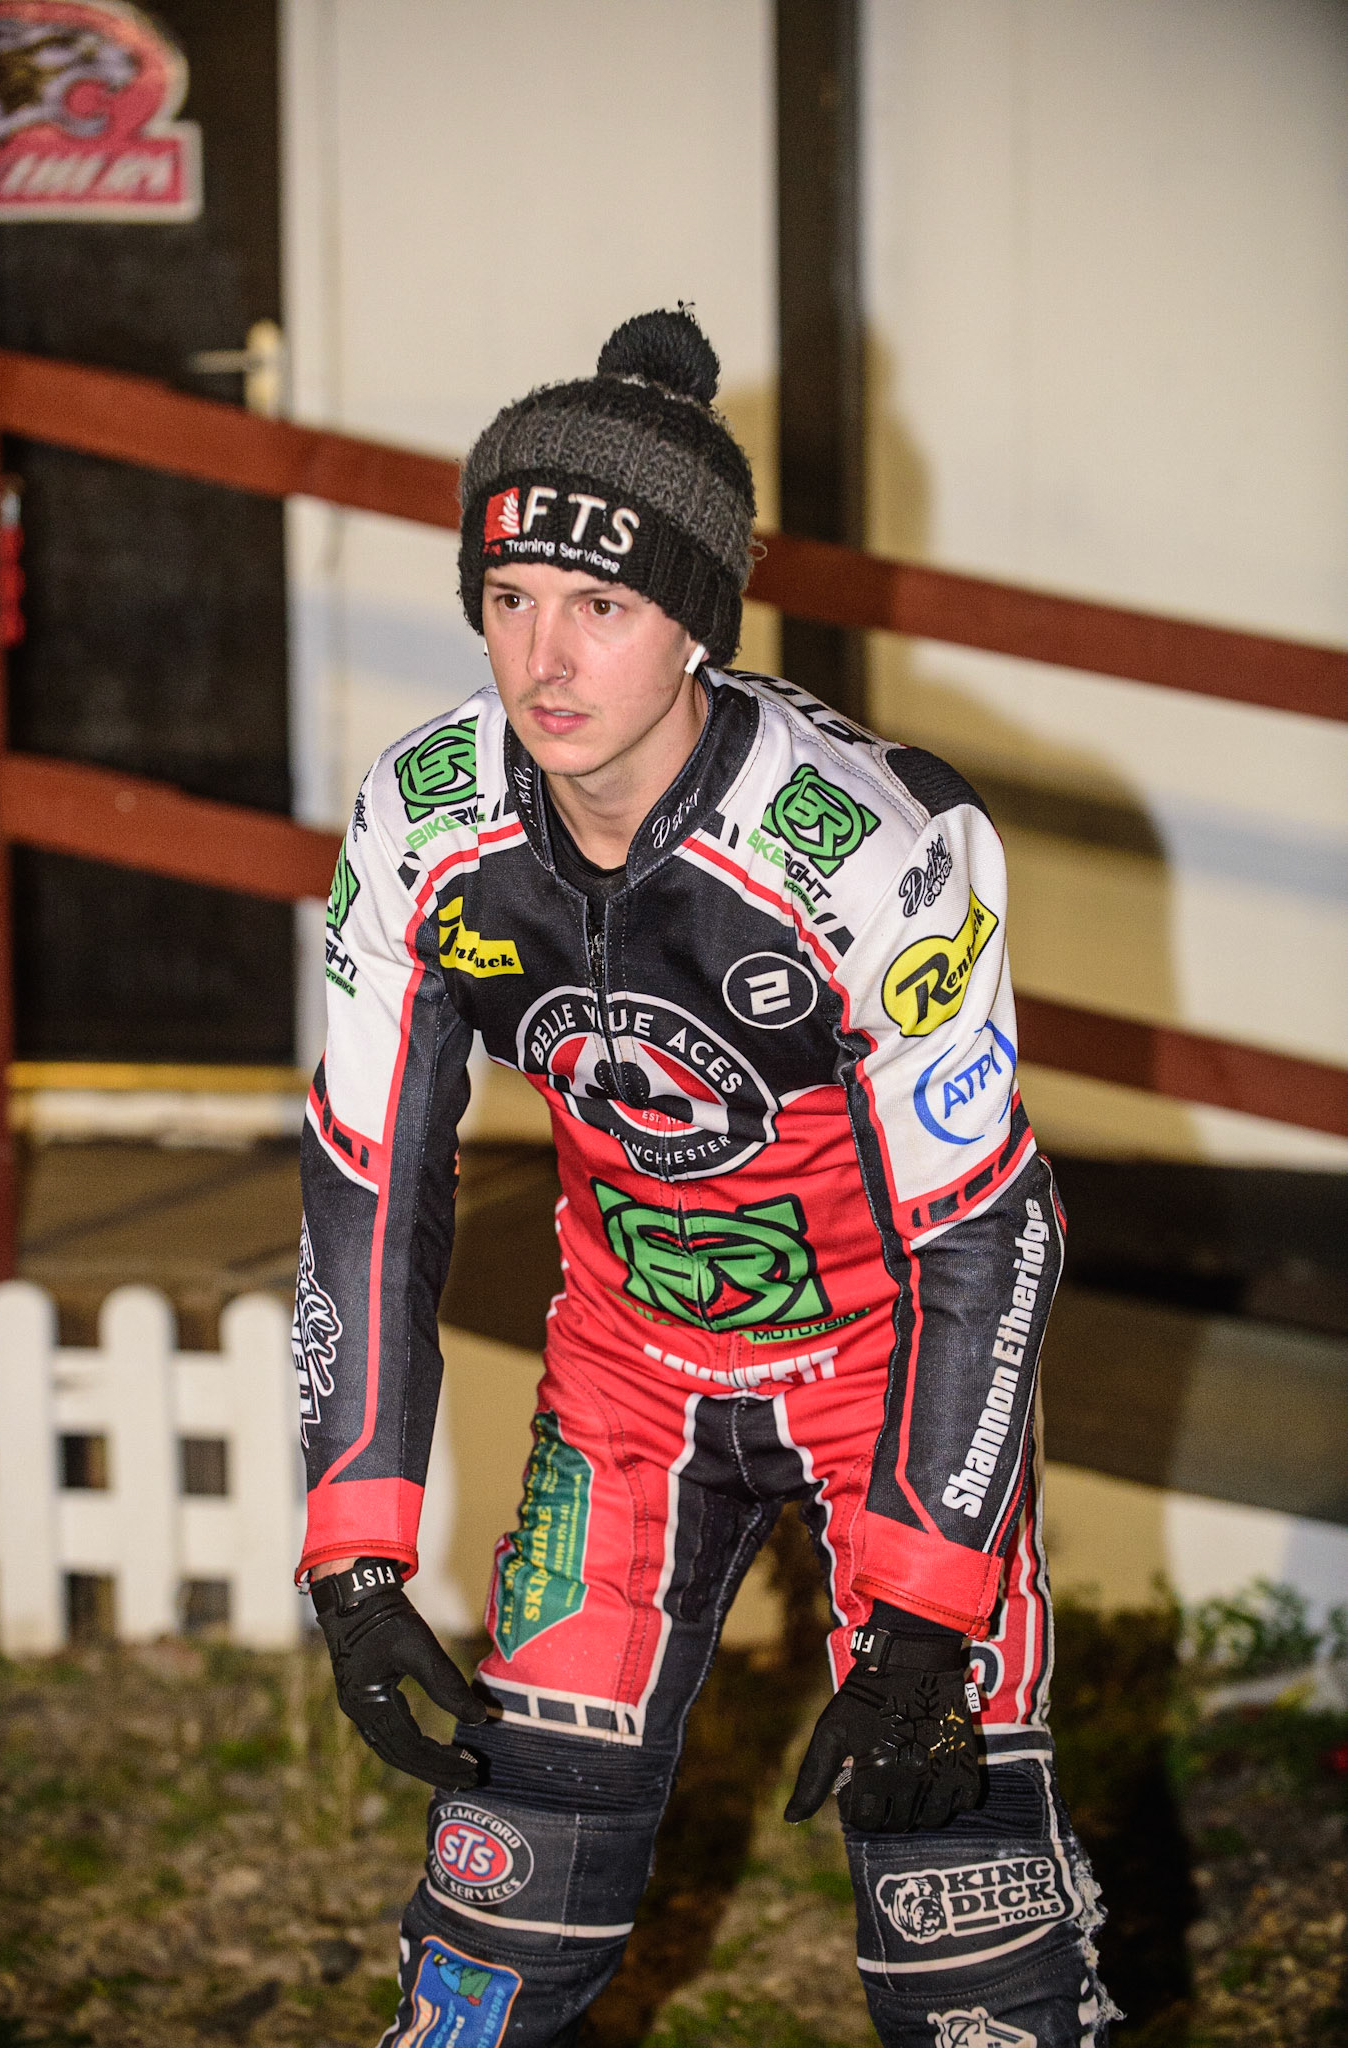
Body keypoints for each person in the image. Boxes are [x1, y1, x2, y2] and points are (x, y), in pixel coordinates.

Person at [293, 306, 1115, 2048]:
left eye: (603, 605)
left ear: (696, 623)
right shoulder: (425, 824)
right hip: (629, 1384)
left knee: (971, 1960)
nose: (545, 658)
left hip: (885, 1383)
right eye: (509, 599)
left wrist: (924, 1615)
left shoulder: (871, 844)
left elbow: (996, 1235)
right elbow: (370, 1179)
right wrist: (356, 1555)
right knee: (493, 1944)